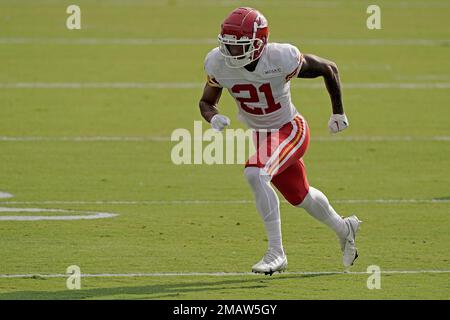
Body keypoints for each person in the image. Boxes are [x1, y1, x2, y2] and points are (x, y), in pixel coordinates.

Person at [199, 7, 361, 275]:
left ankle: (277, 252)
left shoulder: (280, 57)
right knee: (301, 196)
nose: (232, 53)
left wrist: (338, 112)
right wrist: (213, 117)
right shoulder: (218, 62)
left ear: (260, 43)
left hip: (290, 129)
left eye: (240, 47)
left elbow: (328, 68)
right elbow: (206, 101)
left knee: (255, 173)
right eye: (228, 46)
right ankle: (345, 228)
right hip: (263, 137)